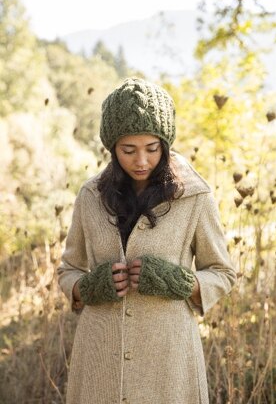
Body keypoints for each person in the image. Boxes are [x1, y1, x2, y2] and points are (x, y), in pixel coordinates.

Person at [57, 77, 236, 404]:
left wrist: (180, 282)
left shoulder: (194, 196)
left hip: (168, 361)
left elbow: (222, 273)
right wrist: (88, 287)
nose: (141, 161)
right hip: (100, 357)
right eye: (128, 150)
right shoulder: (90, 196)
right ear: (112, 148)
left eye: (152, 149)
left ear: (165, 144)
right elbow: (68, 269)